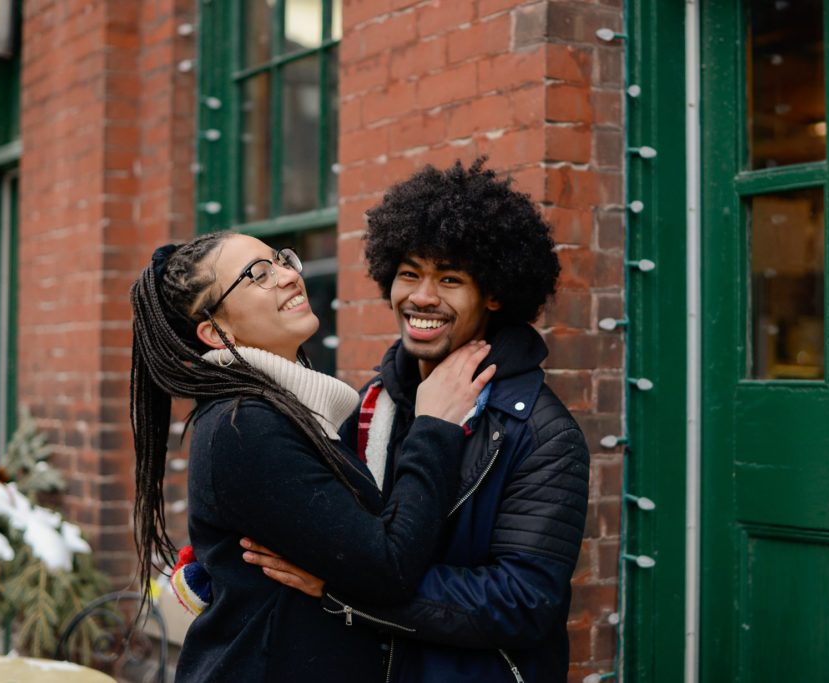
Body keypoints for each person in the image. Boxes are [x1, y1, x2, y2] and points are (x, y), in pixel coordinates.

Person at [240, 159, 591, 683]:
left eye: (449, 278)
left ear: (493, 294)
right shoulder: (373, 403)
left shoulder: (539, 433)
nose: (422, 297)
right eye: (410, 273)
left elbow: (523, 601)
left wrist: (342, 585)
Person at [128, 231, 497, 682]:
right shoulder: (243, 427)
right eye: (257, 275)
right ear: (214, 333)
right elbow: (389, 567)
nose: (287, 276)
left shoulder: (296, 412)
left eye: (280, 260)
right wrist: (435, 425)